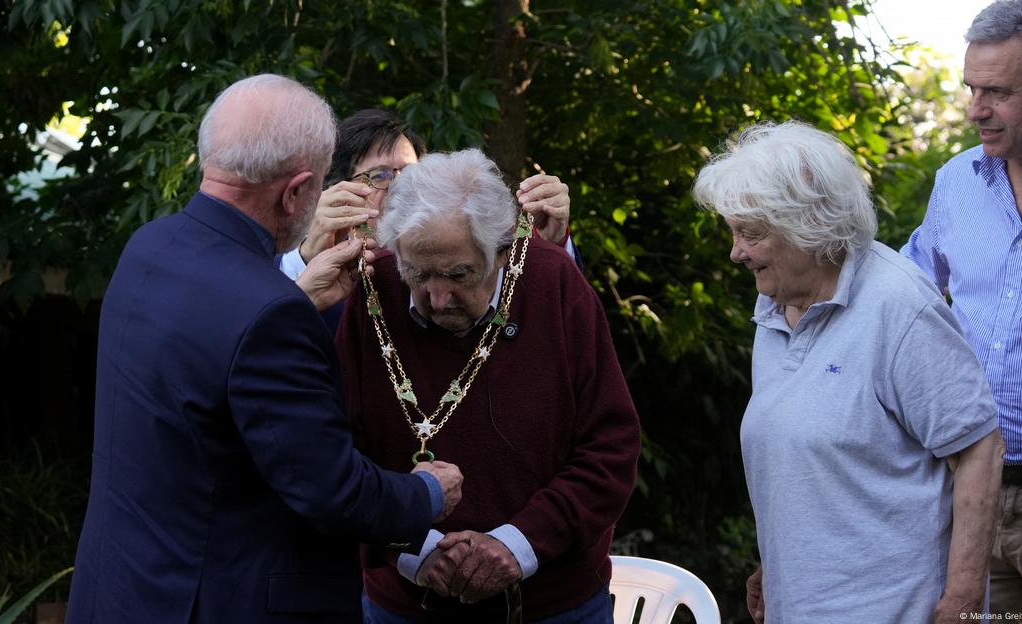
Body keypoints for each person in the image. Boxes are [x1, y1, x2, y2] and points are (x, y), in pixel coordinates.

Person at [66, 74, 463, 623]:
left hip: (124, 589)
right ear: (297, 191)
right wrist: (424, 495)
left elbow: (211, 396)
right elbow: (330, 490)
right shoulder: (269, 312)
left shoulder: (149, 248)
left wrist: (298, 298)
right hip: (218, 602)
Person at [693, 121, 1005, 623]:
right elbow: (812, 458)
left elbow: (979, 449)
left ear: (809, 225)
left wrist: (963, 602)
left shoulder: (898, 306)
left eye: (751, 233)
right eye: (733, 232)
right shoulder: (774, 306)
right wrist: (777, 563)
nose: (736, 252)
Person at [337, 148, 640, 623]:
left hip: (553, 605)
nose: (438, 298)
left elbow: (610, 448)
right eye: (418, 274)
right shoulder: (374, 290)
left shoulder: (553, 283)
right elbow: (339, 457)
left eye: (459, 275)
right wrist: (414, 547)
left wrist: (517, 545)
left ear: (501, 252)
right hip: (405, 604)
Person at [901, 0, 1022, 615]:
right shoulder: (956, 183)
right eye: (972, 88)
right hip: (963, 496)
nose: (976, 109)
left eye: (996, 92)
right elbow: (905, 298)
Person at [278, 108, 579, 292]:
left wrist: (553, 244)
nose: (401, 188)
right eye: (380, 175)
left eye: (410, 173)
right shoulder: (292, 267)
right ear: (338, 191)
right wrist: (305, 259)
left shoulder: (470, 249)